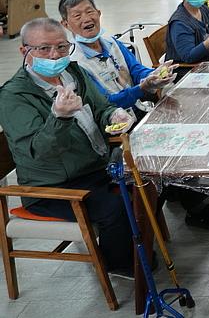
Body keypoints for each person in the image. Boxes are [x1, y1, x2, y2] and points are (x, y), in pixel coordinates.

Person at [58, 0, 209, 231]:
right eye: (76, 15)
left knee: (184, 122)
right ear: (65, 25)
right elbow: (105, 102)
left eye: (89, 11)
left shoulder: (112, 43)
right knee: (171, 141)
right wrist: (141, 89)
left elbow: (136, 69)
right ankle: (188, 206)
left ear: (99, 13)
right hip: (114, 128)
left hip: (138, 112)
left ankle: (179, 188)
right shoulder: (76, 63)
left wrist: (155, 74)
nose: (86, 19)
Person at [0, 18, 137, 276]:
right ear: (24, 51)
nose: (55, 55)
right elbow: (39, 152)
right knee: (115, 207)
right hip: (51, 187)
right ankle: (118, 265)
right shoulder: (13, 96)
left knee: (149, 183)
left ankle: (134, 246)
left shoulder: (74, 72)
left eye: (62, 47)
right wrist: (59, 118)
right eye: (44, 49)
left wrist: (114, 115)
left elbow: (101, 107)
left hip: (93, 167)